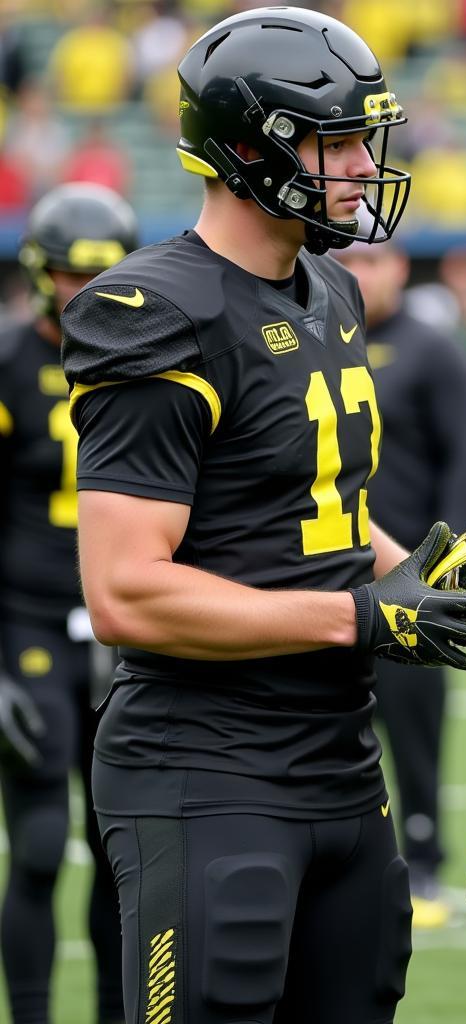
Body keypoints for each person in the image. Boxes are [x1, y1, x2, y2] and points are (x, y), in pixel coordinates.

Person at [59, 8, 466, 1022]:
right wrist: (361, 616)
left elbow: (332, 516)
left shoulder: (329, 291)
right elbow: (128, 589)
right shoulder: (154, 311)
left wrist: (452, 581)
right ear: (251, 148)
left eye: (363, 137)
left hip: (341, 766)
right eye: (336, 139)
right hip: (205, 770)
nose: (360, 164)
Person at [0, 182, 136, 1024]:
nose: (82, 294)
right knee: (43, 847)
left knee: (121, 851)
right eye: (66, 275)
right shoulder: (11, 364)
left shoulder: (154, 354)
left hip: (130, 626)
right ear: (39, 273)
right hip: (32, 620)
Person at [334, 236, 466, 927]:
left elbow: (464, 459)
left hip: (412, 582)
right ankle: (345, 861)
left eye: (373, 261)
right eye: (348, 263)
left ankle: (424, 859)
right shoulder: (317, 341)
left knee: (414, 724)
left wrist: (446, 566)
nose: (361, 275)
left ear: (399, 267)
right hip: (330, 583)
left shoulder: (431, 348)